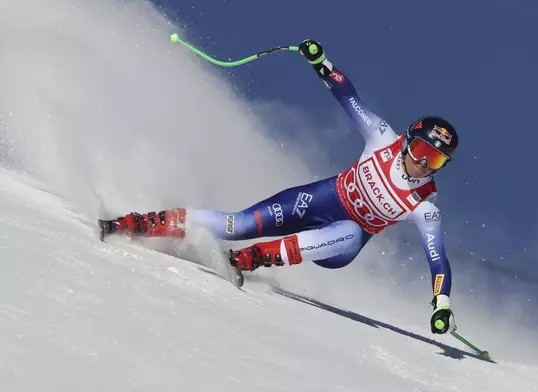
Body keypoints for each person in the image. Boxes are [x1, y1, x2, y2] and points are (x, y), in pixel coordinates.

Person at [100, 39, 459, 335]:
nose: (424, 164)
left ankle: (251, 258)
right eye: (423, 151)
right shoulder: (382, 137)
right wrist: (322, 63)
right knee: (237, 225)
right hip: (320, 200)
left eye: (437, 161)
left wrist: (441, 303)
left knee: (351, 231)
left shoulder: (425, 205)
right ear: (409, 140)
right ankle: (143, 223)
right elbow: (348, 98)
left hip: (339, 243)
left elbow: (437, 259)